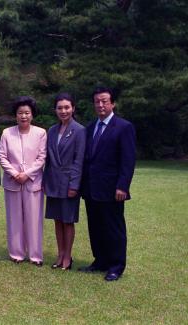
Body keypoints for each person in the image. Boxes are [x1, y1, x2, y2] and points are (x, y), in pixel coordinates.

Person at [79, 87, 136, 281]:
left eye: (104, 101)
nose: (100, 105)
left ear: (113, 103)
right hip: (91, 188)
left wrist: (123, 186)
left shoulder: (124, 127)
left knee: (114, 228)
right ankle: (100, 261)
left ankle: (116, 265)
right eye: (97, 101)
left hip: (112, 189)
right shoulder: (89, 127)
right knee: (95, 227)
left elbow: (128, 160)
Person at [0, 96, 47, 266]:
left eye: (27, 112)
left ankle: (35, 255)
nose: (23, 116)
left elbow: (41, 157)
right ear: (16, 115)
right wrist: (14, 173)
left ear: (32, 114)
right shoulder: (7, 132)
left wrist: (27, 174)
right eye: (20, 113)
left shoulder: (40, 133)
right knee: (14, 219)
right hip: (13, 182)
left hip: (33, 182)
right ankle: (16, 253)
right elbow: (2, 157)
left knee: (34, 220)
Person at [43, 93, 86, 271]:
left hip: (69, 183)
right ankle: (60, 254)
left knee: (68, 221)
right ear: (55, 110)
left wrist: (74, 185)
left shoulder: (79, 130)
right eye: (60, 108)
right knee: (57, 220)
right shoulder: (52, 130)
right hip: (53, 181)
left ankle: (68, 256)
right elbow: (48, 159)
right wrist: (45, 181)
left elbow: (79, 160)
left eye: (67, 107)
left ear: (73, 108)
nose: (63, 111)